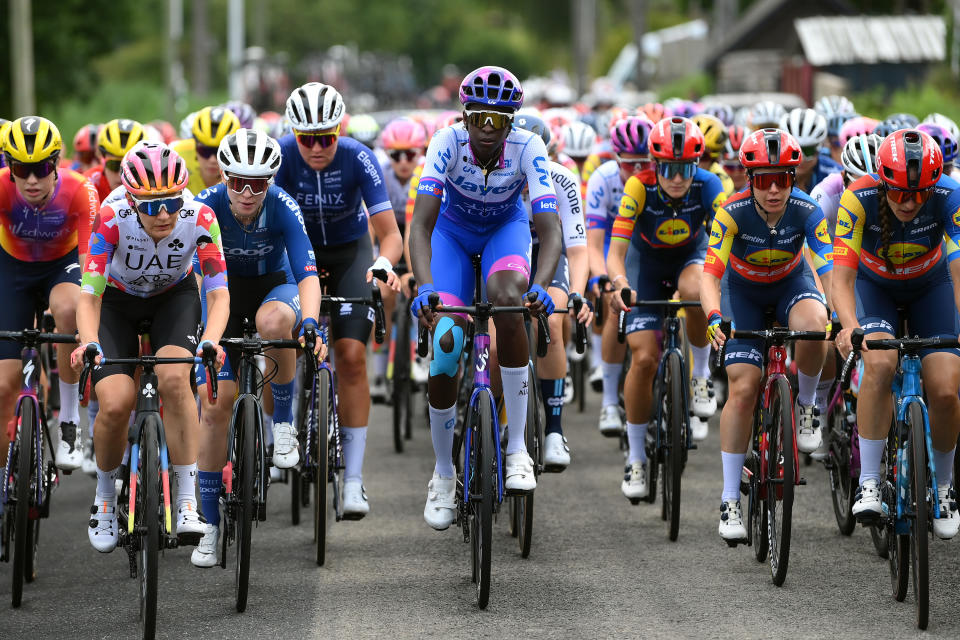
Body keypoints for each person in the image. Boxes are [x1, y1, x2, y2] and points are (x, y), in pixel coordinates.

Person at [408, 65, 561, 530]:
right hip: (452, 236)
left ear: (512, 122)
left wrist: (543, 282)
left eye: (499, 121)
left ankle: (517, 451)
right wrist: (426, 287)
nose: (488, 130)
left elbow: (549, 229)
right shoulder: (446, 143)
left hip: (505, 231)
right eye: (479, 119)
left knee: (508, 301)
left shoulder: (529, 147)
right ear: (465, 116)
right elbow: (420, 225)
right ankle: (442, 473)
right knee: (448, 341)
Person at [71, 142, 229, 552]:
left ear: (183, 194)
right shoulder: (110, 217)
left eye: (171, 202)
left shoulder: (200, 218)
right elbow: (88, 297)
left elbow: (217, 293)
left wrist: (211, 338)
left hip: (173, 299)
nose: (163, 214)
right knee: (116, 400)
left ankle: (188, 501)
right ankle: (105, 497)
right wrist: (88, 341)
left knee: (176, 379)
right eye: (150, 206)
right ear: (129, 198)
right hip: (116, 303)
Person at [191, 128, 323, 566]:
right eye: (238, 183)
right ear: (225, 177)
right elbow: (194, 280)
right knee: (214, 407)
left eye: (258, 184)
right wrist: (206, 332)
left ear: (270, 183)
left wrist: (309, 322)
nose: (247, 193)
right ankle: (209, 526)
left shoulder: (283, 206)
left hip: (273, 286)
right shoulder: (205, 205)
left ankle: (282, 422)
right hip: (221, 295)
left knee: (274, 322)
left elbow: (306, 274)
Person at [275, 82, 403, 519]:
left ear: (339, 130)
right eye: (306, 138)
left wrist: (385, 263)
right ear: (294, 133)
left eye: (325, 137)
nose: (315, 147)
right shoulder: (281, 157)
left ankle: (353, 480)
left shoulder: (357, 157)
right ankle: (283, 422)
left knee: (350, 356)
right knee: (282, 336)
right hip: (295, 256)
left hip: (350, 255)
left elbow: (389, 234)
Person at [702, 129, 832, 541]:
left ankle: (808, 405)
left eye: (782, 178)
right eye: (762, 179)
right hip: (742, 292)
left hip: (792, 283)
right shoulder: (731, 211)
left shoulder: (809, 210)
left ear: (793, 178)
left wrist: (835, 312)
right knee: (743, 386)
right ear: (748, 177)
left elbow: (826, 268)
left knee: (817, 326)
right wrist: (713, 316)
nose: (774, 189)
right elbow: (710, 275)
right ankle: (729, 501)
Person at [833, 129, 960, 539]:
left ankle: (943, 488)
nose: (909, 202)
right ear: (884, 181)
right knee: (880, 363)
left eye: (919, 194)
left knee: (944, 388)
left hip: (930, 287)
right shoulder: (859, 198)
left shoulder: (949, 194)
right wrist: (849, 325)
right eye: (900, 193)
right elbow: (842, 278)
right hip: (876, 290)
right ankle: (869, 479)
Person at [608, 116, 724, 500]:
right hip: (646, 266)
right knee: (643, 359)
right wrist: (621, 285)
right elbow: (617, 252)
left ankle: (701, 375)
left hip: (690, 256)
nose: (677, 179)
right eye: (669, 169)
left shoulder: (709, 185)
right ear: (654, 165)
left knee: (695, 288)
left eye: (686, 168)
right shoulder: (637, 187)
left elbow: (727, 243)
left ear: (698, 166)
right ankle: (637, 457)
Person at [0, 116, 98, 471]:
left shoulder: (79, 189)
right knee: (2, 386)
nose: (31, 180)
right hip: (12, 270)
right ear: (8, 166)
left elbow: (91, 269)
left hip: (62, 266)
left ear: (55, 163)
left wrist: (89, 332)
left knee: (69, 308)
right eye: (20, 169)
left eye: (40, 168)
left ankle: (70, 422)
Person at [515, 113, 592, 471]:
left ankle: (554, 431)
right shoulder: (495, 178)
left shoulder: (562, 179)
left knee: (553, 317)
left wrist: (578, 292)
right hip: (507, 253)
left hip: (549, 251)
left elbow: (576, 249)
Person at [585, 116, 655, 436]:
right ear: (617, 160)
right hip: (616, 250)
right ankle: (610, 402)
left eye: (645, 163)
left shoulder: (661, 179)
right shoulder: (603, 179)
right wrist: (602, 280)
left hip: (651, 251)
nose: (638, 171)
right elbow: (595, 243)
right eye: (630, 165)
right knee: (617, 308)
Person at [370, 117, 427, 401]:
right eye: (396, 155)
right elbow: (371, 227)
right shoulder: (380, 175)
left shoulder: (427, 173)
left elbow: (421, 228)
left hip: (418, 235)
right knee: (382, 297)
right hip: (388, 239)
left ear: (421, 152)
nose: (403, 161)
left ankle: (419, 352)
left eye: (410, 154)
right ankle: (380, 373)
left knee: (420, 288)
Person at [171, 106, 241, 194]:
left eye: (220, 152)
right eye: (204, 151)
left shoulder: (243, 169)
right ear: (194, 146)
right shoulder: (178, 155)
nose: (212, 160)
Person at [779, 108, 840, 193]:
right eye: (794, 152)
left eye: (809, 151)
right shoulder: (770, 174)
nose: (801, 159)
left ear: (820, 148)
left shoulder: (835, 173)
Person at [85, 119, 147, 202]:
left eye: (131, 167)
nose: (121, 174)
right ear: (101, 158)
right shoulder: (87, 185)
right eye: (114, 165)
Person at [692, 113, 734, 199]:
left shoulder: (724, 184)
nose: (696, 162)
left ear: (714, 159)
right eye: (691, 155)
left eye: (703, 156)